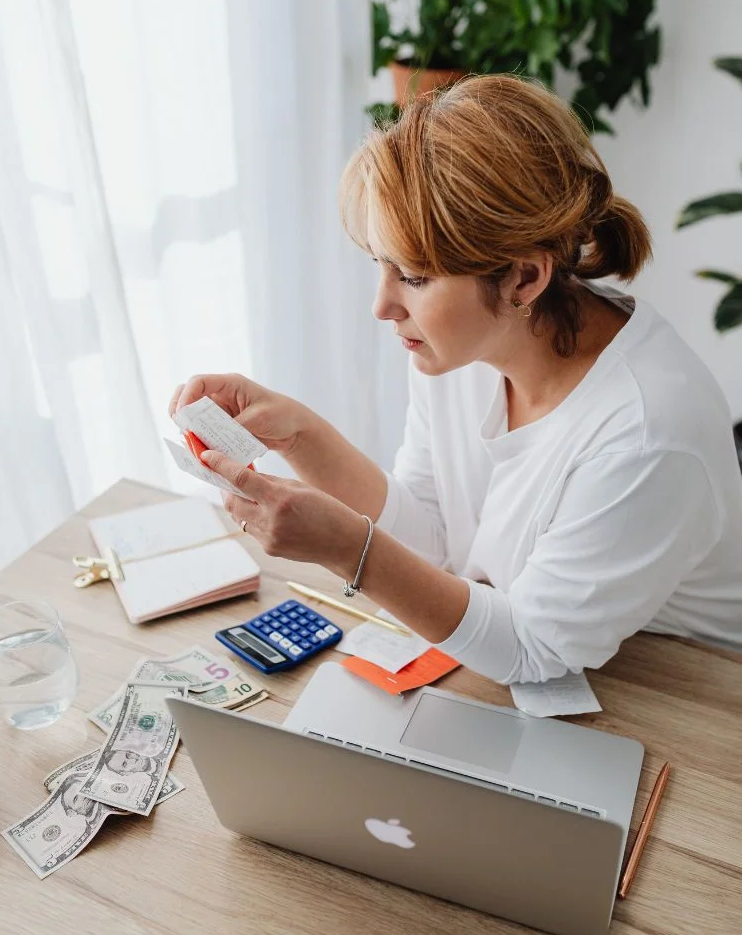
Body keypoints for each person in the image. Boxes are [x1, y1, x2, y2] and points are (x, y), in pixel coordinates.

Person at [170, 75, 742, 684]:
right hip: (582, 662)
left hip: (688, 687)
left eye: (413, 277)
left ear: (524, 278)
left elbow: (532, 651)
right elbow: (436, 542)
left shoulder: (648, 431)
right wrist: (299, 436)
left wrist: (347, 549)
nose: (382, 306)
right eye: (380, 265)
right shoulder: (458, 349)